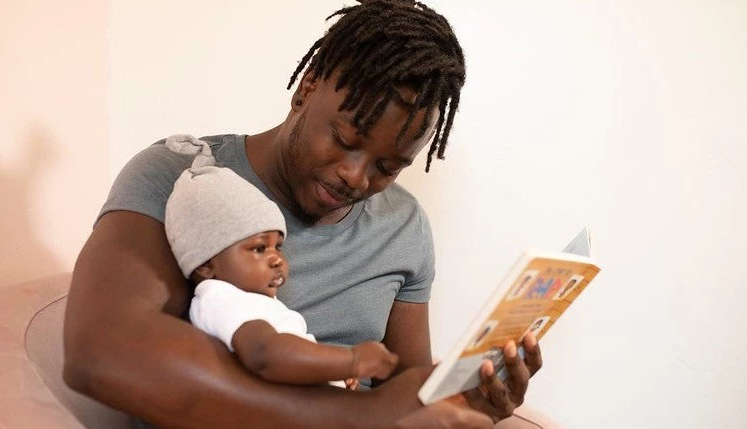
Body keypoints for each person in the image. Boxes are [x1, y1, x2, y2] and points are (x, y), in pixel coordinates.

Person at [63, 1, 543, 428]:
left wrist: (470, 397)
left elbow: (404, 382)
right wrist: (362, 417)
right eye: (345, 139)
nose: (356, 178)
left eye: (388, 166)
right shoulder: (183, 177)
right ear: (307, 89)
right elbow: (101, 352)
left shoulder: (404, 225)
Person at [164, 134, 397, 389]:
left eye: (278, 246)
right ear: (206, 264)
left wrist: (330, 376)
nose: (276, 258)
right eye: (259, 248)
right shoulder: (220, 300)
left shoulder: (250, 300)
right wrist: (349, 360)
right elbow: (265, 354)